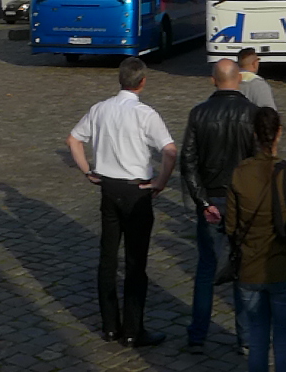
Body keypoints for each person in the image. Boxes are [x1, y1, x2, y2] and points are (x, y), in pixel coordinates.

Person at [66, 58, 178, 348]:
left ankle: (110, 326)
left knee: (107, 257)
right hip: (137, 190)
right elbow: (169, 151)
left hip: (109, 188)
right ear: (142, 81)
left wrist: (87, 170)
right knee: (135, 262)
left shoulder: (100, 109)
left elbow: (73, 140)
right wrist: (161, 183)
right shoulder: (145, 114)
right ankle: (133, 329)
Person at [229, 106, 286, 372]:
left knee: (257, 342)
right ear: (279, 134)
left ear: (254, 134)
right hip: (285, 270)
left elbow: (230, 226)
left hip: (249, 271)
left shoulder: (239, 173)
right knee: (284, 343)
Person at [180, 58, 258, 354]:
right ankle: (247, 338)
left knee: (206, 269)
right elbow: (259, 164)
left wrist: (202, 201)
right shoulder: (253, 114)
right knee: (243, 269)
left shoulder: (199, 113)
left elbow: (188, 162)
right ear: (239, 79)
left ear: (214, 80)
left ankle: (198, 335)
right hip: (242, 202)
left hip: (211, 199)